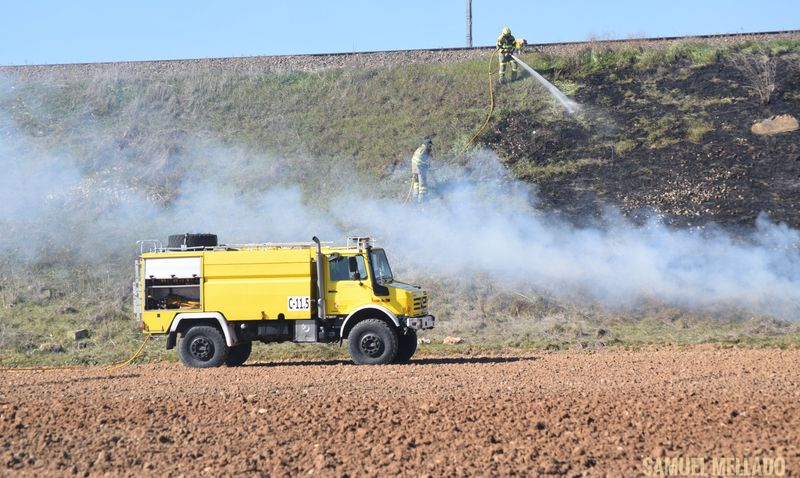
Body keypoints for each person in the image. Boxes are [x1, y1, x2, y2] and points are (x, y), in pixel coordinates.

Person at [411, 138, 432, 203]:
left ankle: (415, 196)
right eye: (430, 145)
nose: (430, 147)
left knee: (416, 182)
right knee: (422, 183)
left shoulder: (419, 148)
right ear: (427, 144)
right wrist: (427, 166)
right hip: (420, 168)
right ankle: (422, 198)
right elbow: (423, 161)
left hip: (414, 167)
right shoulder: (425, 150)